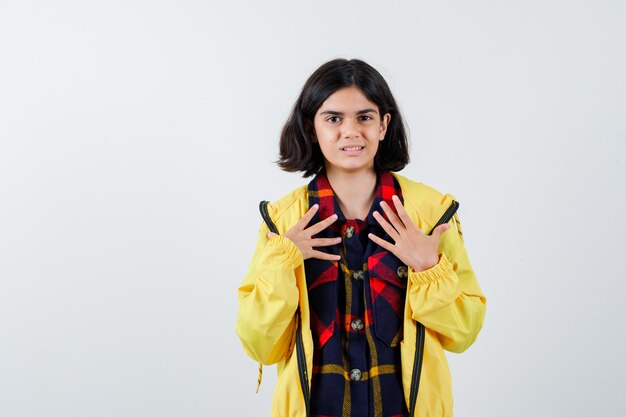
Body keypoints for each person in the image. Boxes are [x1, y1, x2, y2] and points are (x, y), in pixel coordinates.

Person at [236, 58, 486, 417]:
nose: (350, 132)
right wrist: (283, 260)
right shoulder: (282, 221)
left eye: (364, 117)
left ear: (384, 125)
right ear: (312, 129)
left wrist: (429, 266)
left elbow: (463, 333)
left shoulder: (431, 214)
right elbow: (261, 345)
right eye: (333, 118)